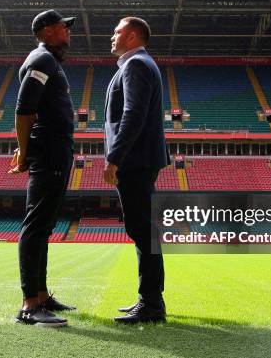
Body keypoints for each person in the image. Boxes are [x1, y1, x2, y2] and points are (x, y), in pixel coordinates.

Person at [9, 9, 76, 327]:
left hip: (56, 152)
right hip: (48, 153)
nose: (69, 32)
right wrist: (23, 152)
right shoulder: (41, 60)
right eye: (65, 27)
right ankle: (29, 305)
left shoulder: (50, 61)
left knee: (45, 226)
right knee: (36, 227)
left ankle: (43, 295)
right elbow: (24, 111)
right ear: (48, 30)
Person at [103, 17, 170, 324]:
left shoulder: (136, 65)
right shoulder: (138, 64)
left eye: (116, 32)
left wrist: (114, 157)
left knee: (143, 231)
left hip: (135, 160)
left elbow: (133, 114)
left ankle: (152, 304)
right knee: (142, 230)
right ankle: (149, 299)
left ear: (131, 36)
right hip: (140, 158)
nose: (111, 37)